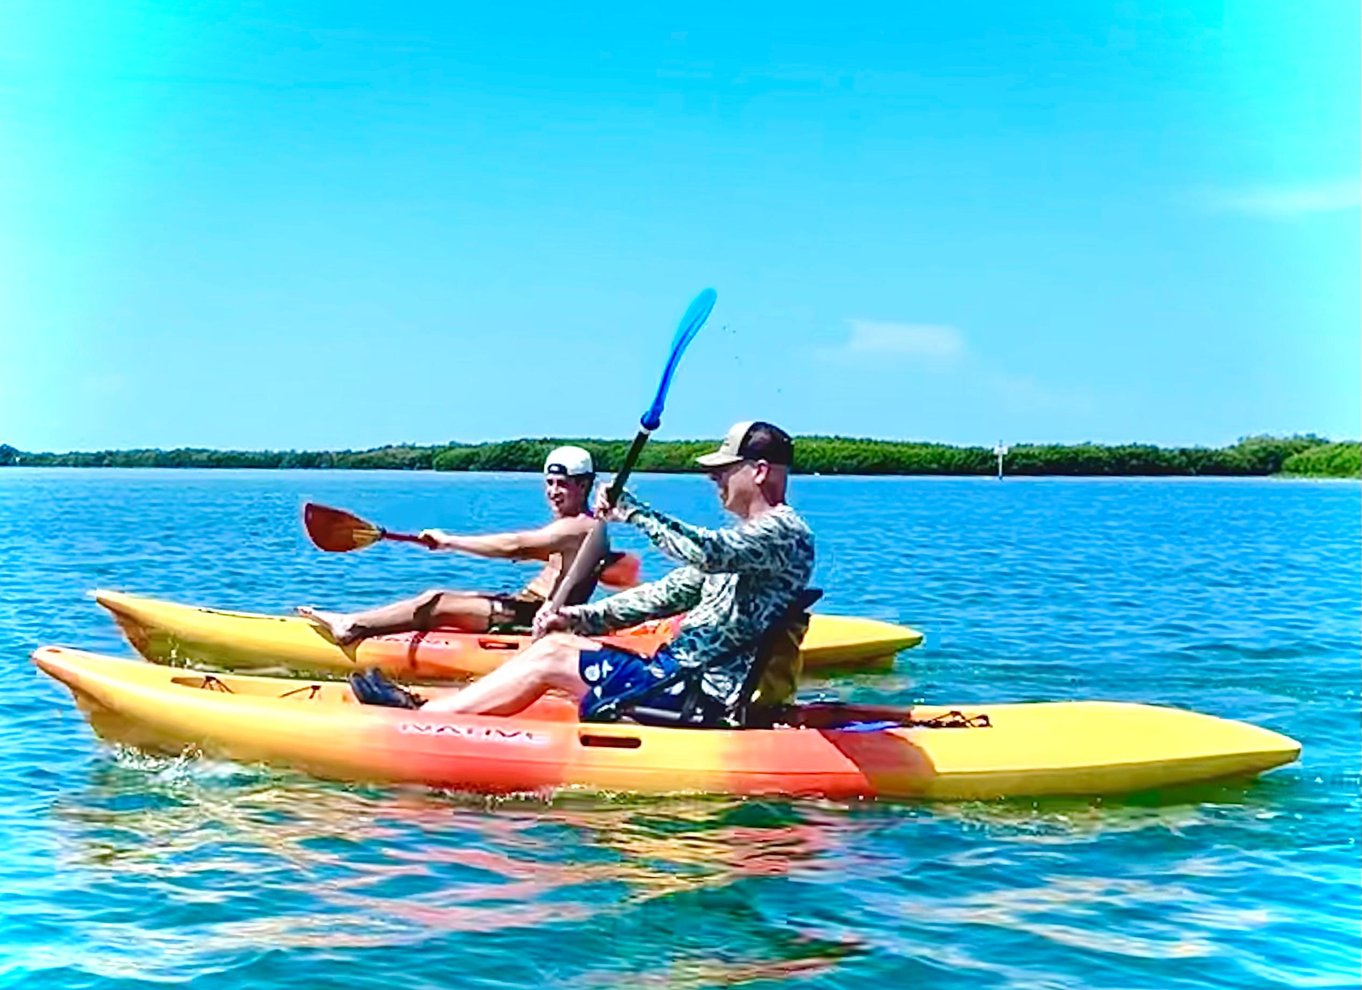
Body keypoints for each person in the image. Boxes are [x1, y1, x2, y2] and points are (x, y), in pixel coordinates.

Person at [351, 421, 815, 726]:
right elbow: (663, 594)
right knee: (557, 643)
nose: (714, 479)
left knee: (551, 659)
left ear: (758, 471)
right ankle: (432, 707)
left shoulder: (782, 533)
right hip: (674, 677)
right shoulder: (746, 540)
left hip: (698, 693)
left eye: (723, 470)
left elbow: (708, 553)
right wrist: (578, 619)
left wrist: (633, 511)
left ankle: (425, 717)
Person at [297, 446, 608, 645]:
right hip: (520, 604)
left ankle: (351, 626)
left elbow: (516, 546)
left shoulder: (580, 526)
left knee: (438, 600)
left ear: (583, 485)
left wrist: (449, 541)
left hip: (530, 617)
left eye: (562, 484)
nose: (553, 492)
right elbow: (544, 552)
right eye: (549, 483)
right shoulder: (583, 526)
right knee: (449, 597)